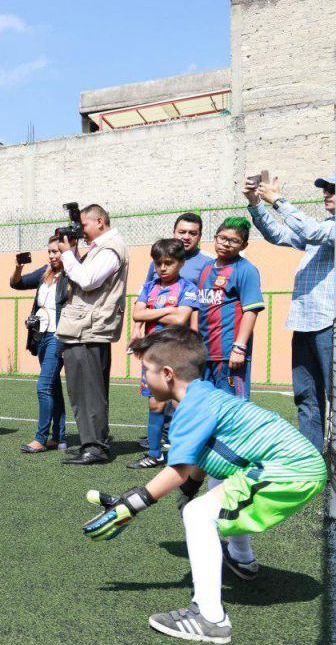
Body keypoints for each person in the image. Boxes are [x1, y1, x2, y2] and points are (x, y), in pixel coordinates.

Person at [84, 326, 326, 644]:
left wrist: (128, 508)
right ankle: (241, 558)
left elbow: (179, 469)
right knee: (219, 483)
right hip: (290, 464)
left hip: (291, 470)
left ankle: (210, 619)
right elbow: (205, 456)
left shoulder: (190, 408)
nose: (142, 380)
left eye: (146, 371)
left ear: (168, 374)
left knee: (199, 514)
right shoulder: (205, 395)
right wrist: (188, 491)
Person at [243, 174, 334, 452]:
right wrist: (256, 203)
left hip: (331, 323)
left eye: (333, 189)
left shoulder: (324, 230)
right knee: (306, 396)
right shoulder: (325, 225)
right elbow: (279, 235)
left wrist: (278, 200)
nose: (327, 193)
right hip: (307, 320)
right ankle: (312, 460)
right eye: (326, 189)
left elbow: (312, 233)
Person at [56, 204, 129, 465]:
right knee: (81, 392)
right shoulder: (100, 247)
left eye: (83, 225)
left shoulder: (110, 248)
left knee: (90, 392)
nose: (80, 231)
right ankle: (91, 441)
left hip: (90, 329)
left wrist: (67, 255)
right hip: (82, 328)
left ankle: (96, 447)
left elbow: (87, 280)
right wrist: (73, 252)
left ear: (99, 221)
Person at [128, 239, 198, 469]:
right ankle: (155, 453)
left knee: (180, 404)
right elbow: (137, 314)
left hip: (177, 353)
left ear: (181, 262)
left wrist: (151, 312)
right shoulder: (149, 286)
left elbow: (181, 319)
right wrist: (169, 309)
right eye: (158, 263)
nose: (163, 268)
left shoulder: (188, 288)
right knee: (155, 405)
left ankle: (183, 454)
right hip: (152, 355)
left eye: (169, 263)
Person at [10, 235, 70, 453]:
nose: (53, 255)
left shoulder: (72, 274)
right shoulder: (45, 272)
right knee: (53, 386)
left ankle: (41, 438)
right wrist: (18, 267)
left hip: (58, 336)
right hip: (41, 336)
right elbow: (16, 283)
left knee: (43, 386)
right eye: (50, 252)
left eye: (57, 251)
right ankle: (60, 437)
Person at [195, 218, 264, 400]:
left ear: (244, 245)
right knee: (206, 407)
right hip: (204, 354)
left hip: (229, 356)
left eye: (233, 240)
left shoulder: (245, 269)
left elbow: (251, 311)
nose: (226, 244)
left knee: (232, 408)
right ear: (215, 238)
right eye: (222, 238)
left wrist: (239, 348)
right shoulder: (206, 268)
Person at [142, 213, 212, 286]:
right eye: (182, 232)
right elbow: (146, 290)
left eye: (192, 233)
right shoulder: (159, 260)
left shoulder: (209, 263)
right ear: (174, 233)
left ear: (200, 236)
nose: (186, 237)